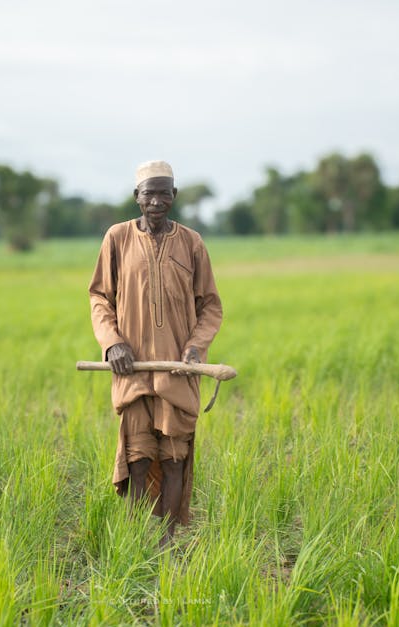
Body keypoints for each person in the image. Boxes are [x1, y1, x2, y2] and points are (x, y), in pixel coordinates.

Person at [89, 160, 223, 545]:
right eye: (150, 193)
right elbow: (100, 296)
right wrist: (112, 342)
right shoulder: (117, 238)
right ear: (137, 198)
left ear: (174, 196)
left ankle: (166, 542)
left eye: (165, 192)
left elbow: (210, 305)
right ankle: (133, 542)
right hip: (131, 371)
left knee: (175, 457)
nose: (158, 200)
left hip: (178, 372)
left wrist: (195, 349)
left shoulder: (192, 242)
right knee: (137, 457)